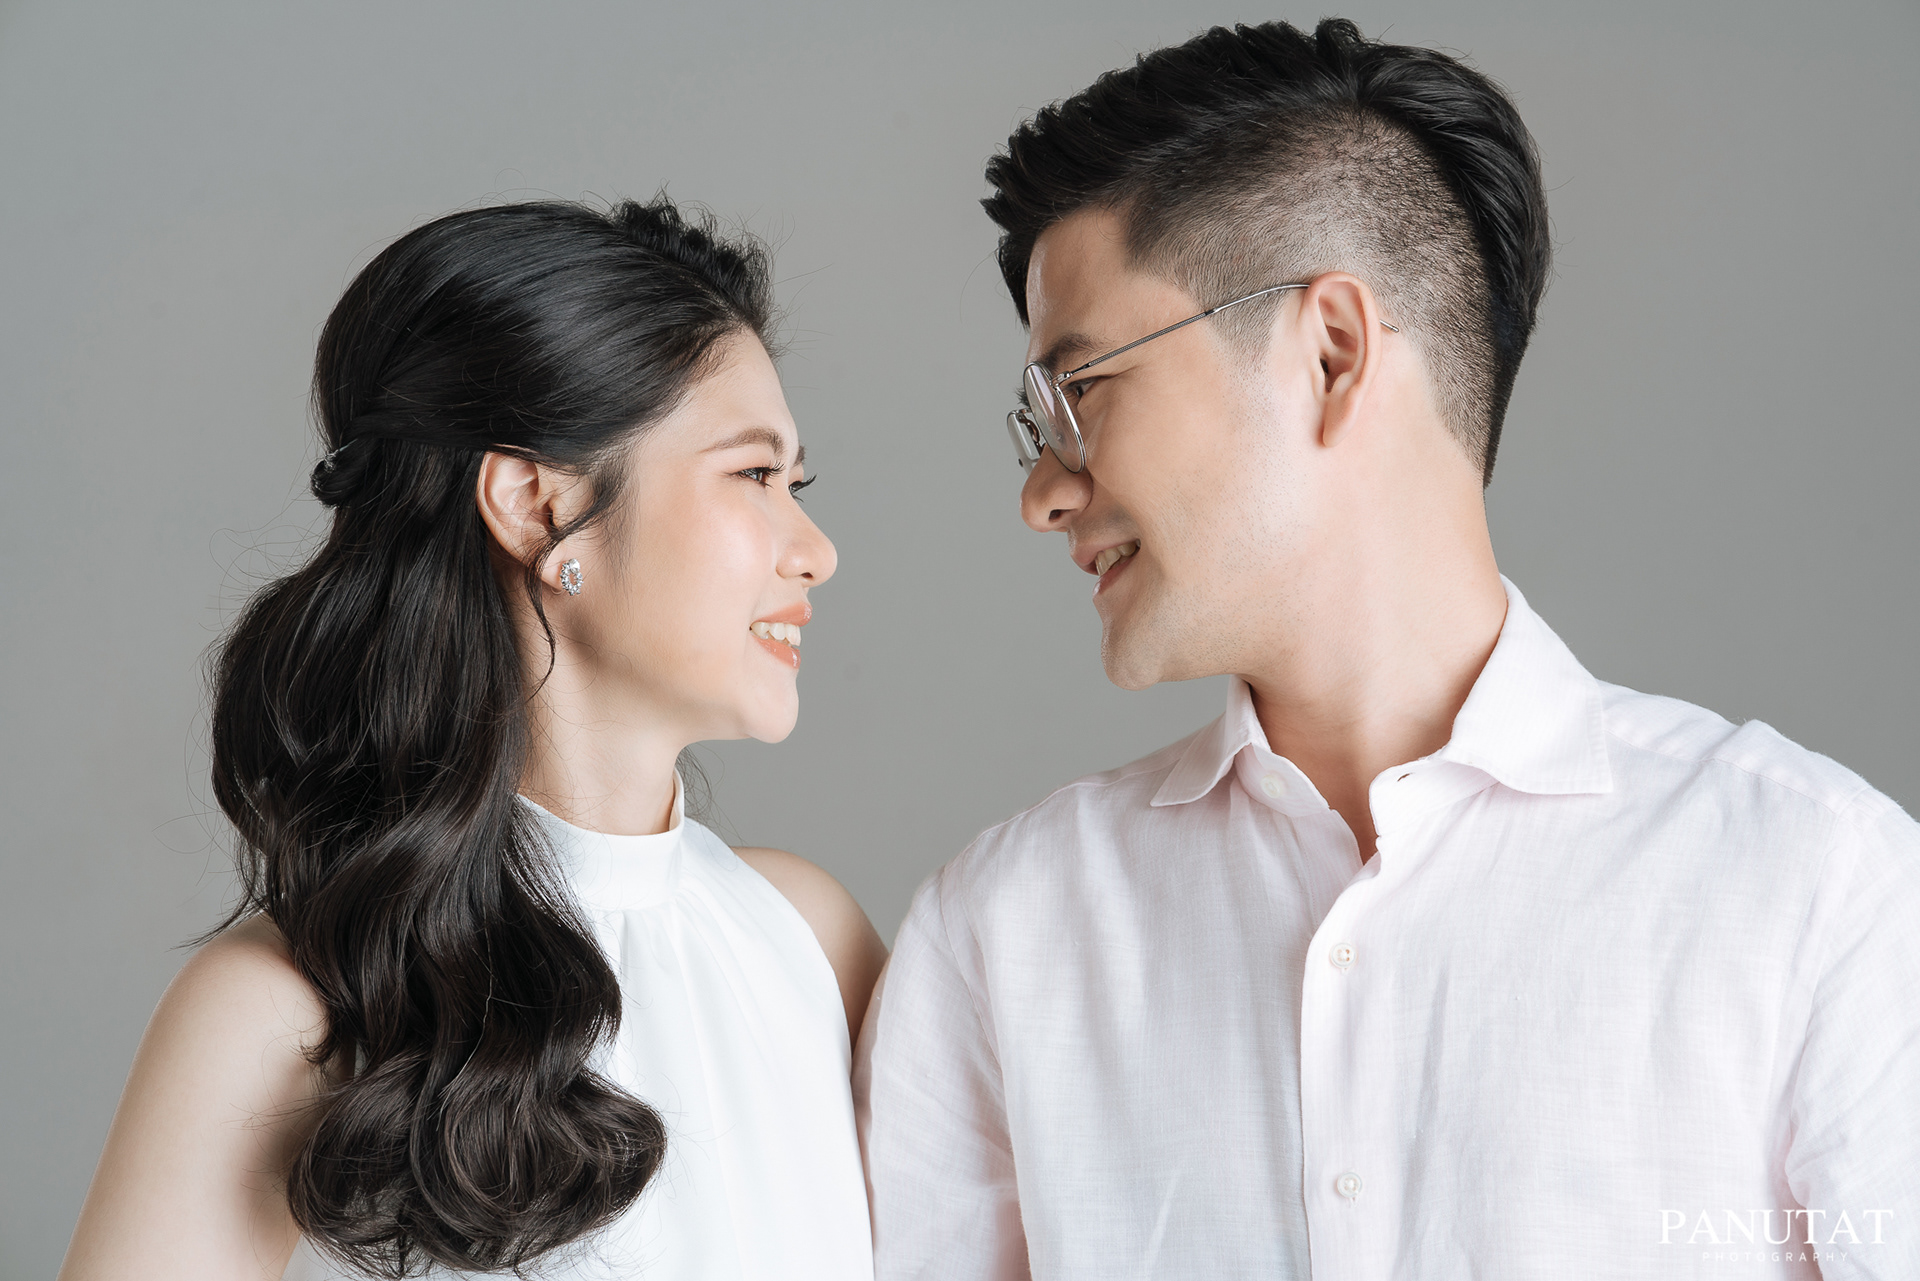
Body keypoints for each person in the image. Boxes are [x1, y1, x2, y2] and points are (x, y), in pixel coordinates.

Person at [856, 18, 1920, 1280]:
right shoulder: (1001, 932)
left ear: (1331, 354)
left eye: (1078, 395)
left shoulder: (1820, 892)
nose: (1043, 492)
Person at [60, 198, 886, 1281]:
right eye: (755, 475)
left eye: (797, 483)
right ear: (537, 505)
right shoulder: (283, 1010)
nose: (816, 550)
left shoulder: (810, 938)